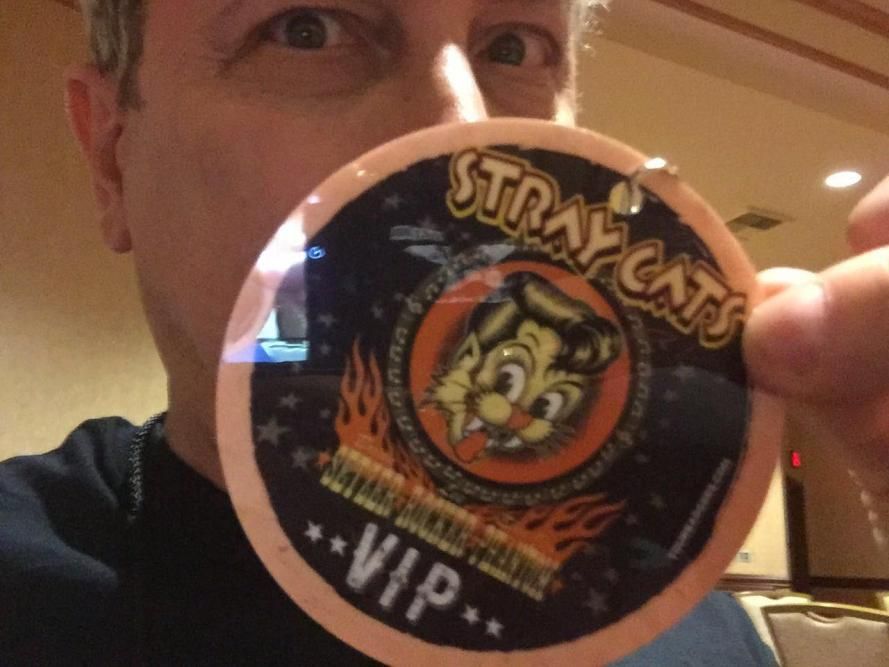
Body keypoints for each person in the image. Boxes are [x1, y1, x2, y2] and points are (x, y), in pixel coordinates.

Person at [1, 0, 887, 663]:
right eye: (305, 28)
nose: (465, 131)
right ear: (111, 153)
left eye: (512, 47)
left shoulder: (698, 635)